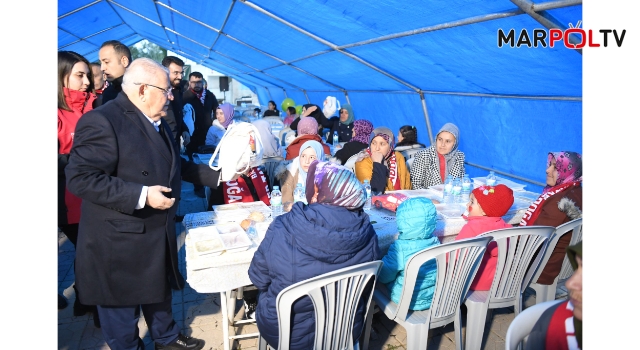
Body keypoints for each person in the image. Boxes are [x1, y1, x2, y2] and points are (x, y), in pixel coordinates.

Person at [65, 57, 228, 350]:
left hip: (154, 230)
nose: (171, 95)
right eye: (165, 89)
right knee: (121, 310)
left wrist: (219, 176)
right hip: (118, 238)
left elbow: (175, 164)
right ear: (142, 90)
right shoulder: (103, 120)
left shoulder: (158, 120)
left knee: (158, 289)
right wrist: (141, 195)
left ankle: (166, 338)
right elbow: (81, 179)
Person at [248, 160, 381, 350]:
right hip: (345, 330)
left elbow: (258, 278)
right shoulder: (367, 230)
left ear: (317, 190)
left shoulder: (283, 226)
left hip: (288, 333)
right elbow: (368, 286)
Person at [58, 51, 98, 321]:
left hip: (100, 196)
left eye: (88, 75)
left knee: (92, 253)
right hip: (70, 202)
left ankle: (86, 299)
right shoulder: (55, 114)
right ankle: (94, 304)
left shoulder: (95, 105)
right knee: (91, 253)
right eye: (79, 75)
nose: (87, 81)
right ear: (61, 77)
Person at [520, 151, 582, 285]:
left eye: (556, 167)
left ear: (569, 171)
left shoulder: (559, 201)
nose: (547, 170)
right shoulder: (577, 191)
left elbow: (534, 237)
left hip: (543, 266)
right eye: (550, 165)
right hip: (564, 262)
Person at [378, 197, 440, 310]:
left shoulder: (400, 248)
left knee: (378, 282)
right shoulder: (435, 241)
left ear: (402, 221)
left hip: (406, 299)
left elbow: (384, 276)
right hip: (432, 297)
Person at [454, 184, 514, 291]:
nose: (468, 205)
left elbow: (456, 253)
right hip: (497, 279)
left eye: (472, 202)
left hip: (476, 281)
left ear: (484, 211)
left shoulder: (472, 228)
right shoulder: (503, 226)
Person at [525, 241, 582, 350]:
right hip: (554, 267)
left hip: (543, 268)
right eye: (577, 267)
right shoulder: (554, 321)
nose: (569, 284)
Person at [183, 71, 219, 197]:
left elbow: (216, 110)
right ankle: (198, 187)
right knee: (194, 162)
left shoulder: (209, 95)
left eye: (199, 82)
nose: (196, 85)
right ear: (189, 83)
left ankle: (211, 186)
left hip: (208, 134)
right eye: (193, 82)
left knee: (210, 160)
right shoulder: (185, 97)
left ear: (203, 82)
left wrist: (216, 125)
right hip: (192, 136)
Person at [354, 126, 411, 194]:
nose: (377, 148)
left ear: (390, 146)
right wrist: (377, 164)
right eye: (374, 143)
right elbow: (374, 191)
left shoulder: (397, 156)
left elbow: (407, 185)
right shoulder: (363, 161)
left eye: (382, 144)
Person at [410, 122, 466, 189]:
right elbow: (415, 184)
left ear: (455, 143)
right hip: (427, 197)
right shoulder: (424, 156)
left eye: (447, 141)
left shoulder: (459, 157)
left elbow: (461, 183)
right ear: (436, 139)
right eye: (440, 139)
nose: (442, 144)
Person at [161, 55, 190, 143]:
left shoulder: (178, 91)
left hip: (175, 143)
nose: (180, 77)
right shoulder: (155, 92)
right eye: (176, 73)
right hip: (163, 143)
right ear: (164, 71)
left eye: (181, 73)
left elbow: (177, 115)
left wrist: (184, 130)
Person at [98, 40, 131, 105]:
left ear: (124, 61)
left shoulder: (143, 88)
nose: (102, 68)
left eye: (106, 62)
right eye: (101, 63)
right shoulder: (108, 93)